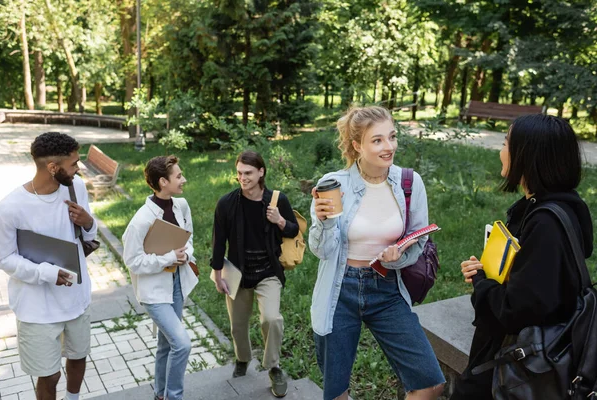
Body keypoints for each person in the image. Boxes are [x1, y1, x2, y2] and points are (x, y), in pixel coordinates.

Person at [451, 114, 593, 399]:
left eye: (505, 143)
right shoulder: (559, 207)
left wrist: (482, 283)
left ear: (527, 155)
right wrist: (487, 270)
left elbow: (517, 311)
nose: (501, 150)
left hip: (516, 364)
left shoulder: (545, 224)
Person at [309, 106, 445, 400]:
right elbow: (322, 251)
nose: (390, 147)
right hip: (339, 290)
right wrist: (322, 223)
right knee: (336, 392)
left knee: (430, 383)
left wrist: (400, 257)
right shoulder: (333, 185)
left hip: (387, 287)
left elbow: (419, 241)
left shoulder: (409, 183)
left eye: (392, 137)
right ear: (357, 145)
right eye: (378, 140)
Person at [0, 132, 96, 400]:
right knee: (49, 375)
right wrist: (47, 273)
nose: (78, 168)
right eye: (73, 163)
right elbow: (3, 258)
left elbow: (88, 237)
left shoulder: (77, 188)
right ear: (53, 168)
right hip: (37, 308)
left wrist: (88, 221)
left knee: (78, 358)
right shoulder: (9, 208)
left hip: (76, 298)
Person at [211, 150, 298, 398]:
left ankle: (273, 366)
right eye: (239, 173)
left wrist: (280, 220)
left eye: (248, 173)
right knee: (238, 326)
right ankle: (242, 359)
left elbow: (292, 231)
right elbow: (219, 241)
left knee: (271, 319)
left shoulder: (277, 201)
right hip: (237, 274)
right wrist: (217, 273)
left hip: (268, 272)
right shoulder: (227, 203)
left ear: (261, 172)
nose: (242, 178)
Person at [122, 155, 198, 400]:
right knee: (182, 344)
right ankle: (173, 397)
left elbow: (189, 239)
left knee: (166, 344)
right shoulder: (141, 220)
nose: (183, 179)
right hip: (153, 292)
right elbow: (132, 261)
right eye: (178, 176)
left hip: (176, 283)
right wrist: (168, 258)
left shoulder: (182, 205)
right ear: (163, 182)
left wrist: (186, 255)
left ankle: (160, 394)